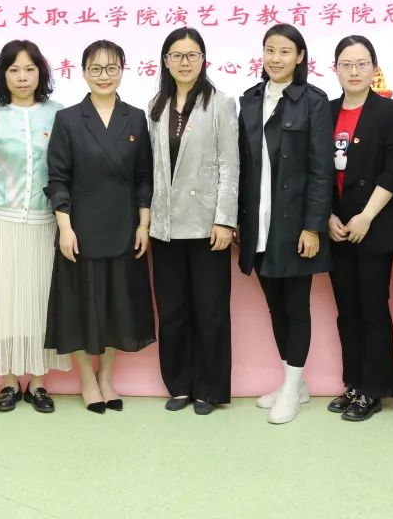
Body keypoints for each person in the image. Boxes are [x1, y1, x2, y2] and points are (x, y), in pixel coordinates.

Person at [44, 39, 156, 413]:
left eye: (111, 68)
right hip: (80, 227)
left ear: (122, 71)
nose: (103, 76)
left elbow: (144, 177)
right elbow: (57, 178)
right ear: (83, 72)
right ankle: (86, 379)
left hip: (123, 225)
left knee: (115, 305)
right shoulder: (68, 119)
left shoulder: (136, 118)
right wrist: (65, 227)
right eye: (95, 68)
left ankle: (107, 377)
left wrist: (143, 225)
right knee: (81, 304)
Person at [236, 23, 333, 425]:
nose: (275, 59)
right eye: (270, 50)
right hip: (257, 224)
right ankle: (294, 381)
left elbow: (321, 170)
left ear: (299, 57)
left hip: (294, 226)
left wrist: (312, 227)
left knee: (295, 306)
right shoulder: (249, 99)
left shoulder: (313, 101)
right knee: (274, 305)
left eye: (284, 51)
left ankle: (291, 390)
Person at [0, 40, 69, 413]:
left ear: (40, 73)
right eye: (14, 70)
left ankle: (39, 382)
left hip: (45, 223)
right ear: (2, 75)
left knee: (41, 302)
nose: (22, 77)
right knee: (5, 303)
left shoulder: (59, 114)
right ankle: (9, 381)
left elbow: (66, 171)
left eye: (29, 69)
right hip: (0, 221)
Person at [147, 27, 239, 415]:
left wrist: (225, 220)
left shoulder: (221, 103)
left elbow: (230, 166)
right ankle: (180, 385)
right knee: (172, 311)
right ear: (165, 61)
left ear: (203, 59)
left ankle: (209, 388)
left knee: (210, 311)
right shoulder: (156, 104)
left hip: (207, 227)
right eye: (177, 55)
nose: (184, 62)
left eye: (192, 55)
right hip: (165, 227)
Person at [326, 36, 393, 421]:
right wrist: (328, 216)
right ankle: (354, 383)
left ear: (374, 68)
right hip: (337, 228)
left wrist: (366, 216)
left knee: (372, 307)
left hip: (374, 226)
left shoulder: (390, 111)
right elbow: (318, 170)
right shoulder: (326, 111)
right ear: (336, 69)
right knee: (347, 310)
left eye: (362, 64)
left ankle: (374, 389)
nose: (354, 71)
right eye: (346, 64)